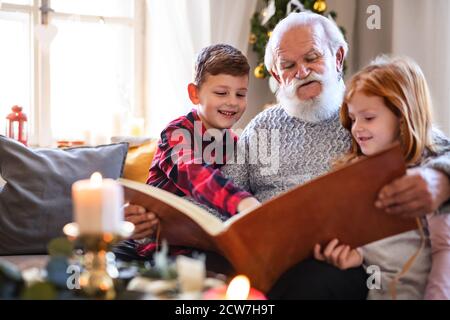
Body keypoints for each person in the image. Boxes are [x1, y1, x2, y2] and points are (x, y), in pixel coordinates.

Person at [218, 12, 450, 299]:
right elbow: (223, 190)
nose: (302, 72)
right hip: (266, 254)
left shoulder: (368, 113)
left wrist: (440, 177)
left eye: (311, 57)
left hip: (329, 264)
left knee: (311, 284)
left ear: (337, 57)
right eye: (289, 66)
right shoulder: (261, 127)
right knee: (206, 268)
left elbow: (431, 145)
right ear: (277, 76)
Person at [313, 56, 450, 300]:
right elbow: (372, 245)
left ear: (401, 116)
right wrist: (356, 256)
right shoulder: (359, 171)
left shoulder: (428, 174)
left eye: (368, 118)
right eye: (353, 119)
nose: (356, 128)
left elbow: (445, 250)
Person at [115, 44, 259, 268]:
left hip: (199, 243)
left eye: (240, 94)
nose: (232, 101)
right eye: (221, 93)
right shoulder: (176, 133)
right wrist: (243, 202)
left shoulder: (236, 143)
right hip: (154, 244)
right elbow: (194, 174)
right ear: (194, 93)